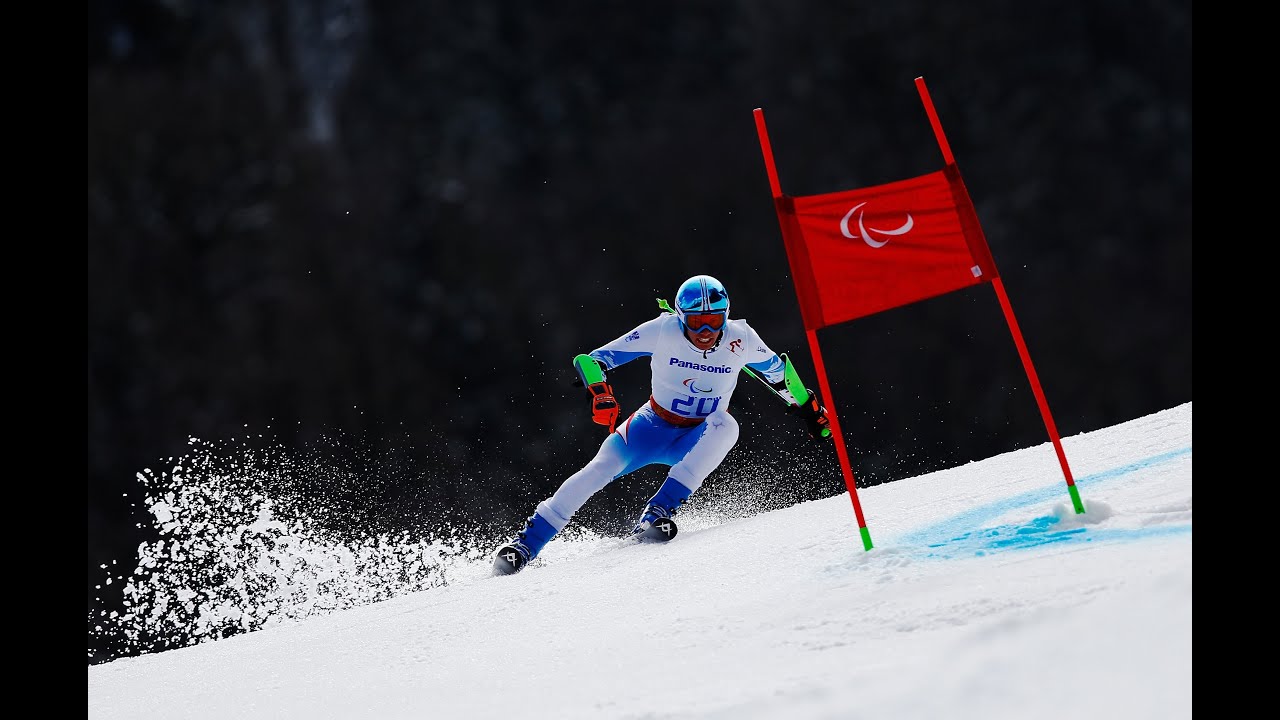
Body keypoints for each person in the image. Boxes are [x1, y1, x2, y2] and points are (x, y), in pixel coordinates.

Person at [492, 274, 831, 576]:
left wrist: (810, 408)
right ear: (681, 317)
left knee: (727, 426)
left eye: (714, 321)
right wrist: (599, 392)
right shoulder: (664, 328)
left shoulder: (741, 338)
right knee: (597, 471)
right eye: (696, 323)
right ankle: (526, 546)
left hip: (698, 435)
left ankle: (657, 512)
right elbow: (592, 360)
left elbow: (780, 376)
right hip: (650, 427)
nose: (705, 332)